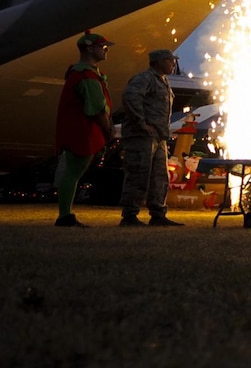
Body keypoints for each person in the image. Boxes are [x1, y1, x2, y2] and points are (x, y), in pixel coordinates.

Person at [53, 31, 115, 227]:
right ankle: (64, 216)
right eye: (103, 47)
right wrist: (108, 130)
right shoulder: (86, 75)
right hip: (83, 130)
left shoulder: (85, 73)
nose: (106, 51)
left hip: (80, 129)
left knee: (73, 172)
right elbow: (96, 108)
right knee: (73, 173)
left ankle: (65, 215)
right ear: (90, 48)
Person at [117, 48, 182, 226]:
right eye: (170, 60)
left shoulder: (163, 81)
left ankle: (158, 213)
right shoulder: (144, 78)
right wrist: (141, 123)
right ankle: (130, 215)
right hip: (141, 135)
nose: (173, 64)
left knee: (159, 176)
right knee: (139, 174)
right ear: (158, 61)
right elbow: (130, 98)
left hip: (157, 136)